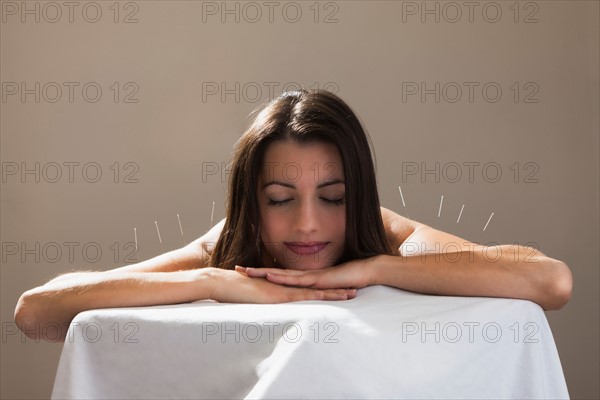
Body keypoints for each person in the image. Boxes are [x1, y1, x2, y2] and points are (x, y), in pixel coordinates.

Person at [14, 89, 573, 342]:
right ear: (251, 203)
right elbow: (35, 313)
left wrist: (374, 267)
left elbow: (549, 280)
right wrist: (211, 281)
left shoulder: (382, 233)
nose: (308, 224)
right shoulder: (228, 247)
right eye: (280, 199)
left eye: (333, 197)